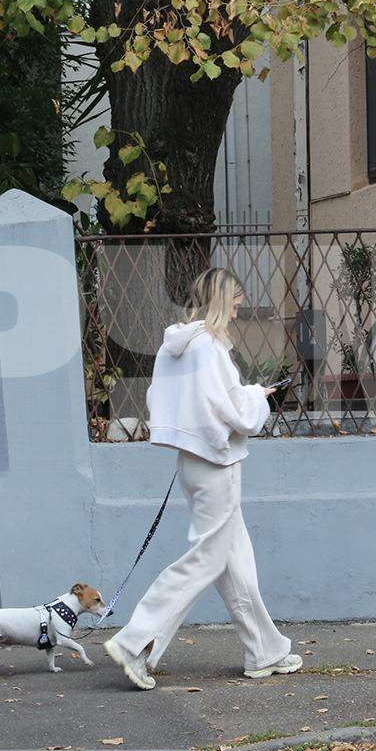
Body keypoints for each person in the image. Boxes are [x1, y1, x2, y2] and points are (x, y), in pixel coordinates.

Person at [103, 267, 302, 690]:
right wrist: (255, 397)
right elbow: (233, 412)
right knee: (205, 560)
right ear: (219, 298)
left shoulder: (174, 346)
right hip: (216, 463)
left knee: (235, 559)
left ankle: (266, 650)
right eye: (235, 299)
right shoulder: (210, 348)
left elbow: (166, 399)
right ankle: (136, 642)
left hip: (190, 462)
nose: (239, 305)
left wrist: (241, 397)